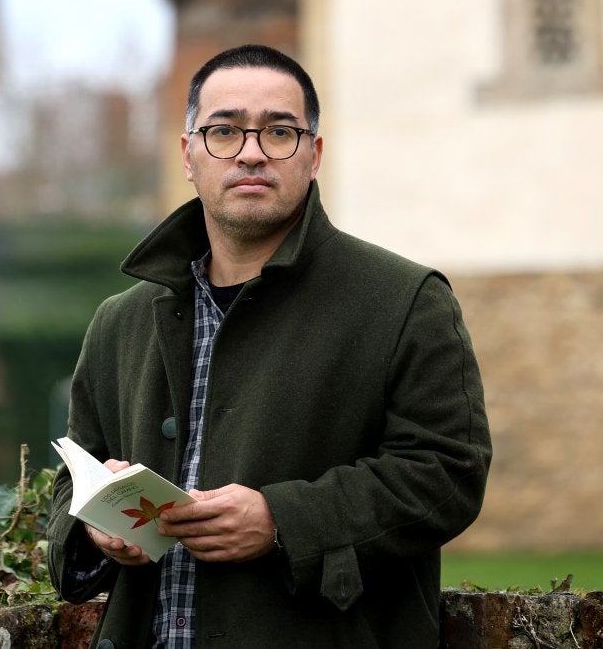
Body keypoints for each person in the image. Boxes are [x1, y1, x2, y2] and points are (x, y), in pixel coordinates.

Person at [47, 44, 491, 648]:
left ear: (314, 154)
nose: (251, 152)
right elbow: (72, 481)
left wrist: (282, 521)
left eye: (280, 131)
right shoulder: (119, 322)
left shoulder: (406, 300)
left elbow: (447, 473)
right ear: (188, 155)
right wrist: (102, 525)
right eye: (224, 130)